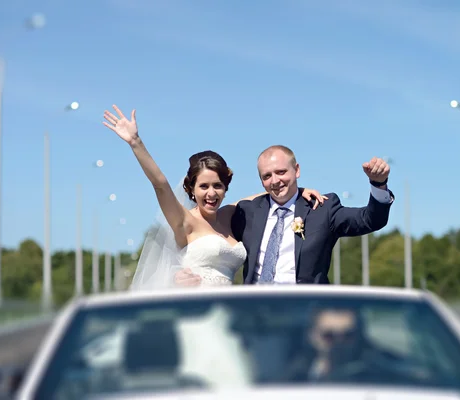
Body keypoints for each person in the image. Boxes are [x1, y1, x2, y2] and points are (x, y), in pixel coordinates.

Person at [102, 105, 325, 289]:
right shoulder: (185, 221)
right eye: (204, 186)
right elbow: (160, 185)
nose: (211, 193)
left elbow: (269, 192)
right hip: (194, 305)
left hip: (228, 309)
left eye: (217, 186)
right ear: (192, 189)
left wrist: (298, 191)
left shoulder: (229, 215)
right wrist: (136, 143)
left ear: (225, 187)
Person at [175, 144, 394, 286]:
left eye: (281, 172)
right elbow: (205, 228)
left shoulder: (321, 208)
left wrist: (378, 184)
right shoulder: (246, 212)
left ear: (296, 170)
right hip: (254, 314)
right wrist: (178, 275)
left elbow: (370, 219)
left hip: (306, 312)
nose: (275, 180)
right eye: (267, 176)